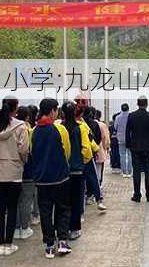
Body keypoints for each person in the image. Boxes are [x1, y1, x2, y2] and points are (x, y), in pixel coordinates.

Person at [0, 97, 29, 255]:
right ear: (15, 109)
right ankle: (8, 244)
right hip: (13, 171)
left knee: (0, 209)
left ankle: (0, 243)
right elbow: (24, 149)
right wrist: (20, 161)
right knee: (12, 208)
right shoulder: (20, 126)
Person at [31, 98, 72, 259]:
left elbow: (31, 151)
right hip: (60, 178)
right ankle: (62, 241)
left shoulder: (34, 130)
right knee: (62, 209)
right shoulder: (60, 129)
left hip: (41, 179)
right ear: (53, 111)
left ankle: (49, 246)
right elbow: (66, 152)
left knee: (45, 212)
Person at [60, 101, 94, 241]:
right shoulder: (80, 128)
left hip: (62, 171)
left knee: (63, 202)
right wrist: (82, 162)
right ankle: (74, 229)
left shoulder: (59, 127)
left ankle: (62, 229)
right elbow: (86, 149)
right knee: (76, 201)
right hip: (77, 169)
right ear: (75, 112)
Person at [126, 96, 149, 203]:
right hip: (148, 148)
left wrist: (128, 144)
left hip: (135, 147)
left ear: (137, 103)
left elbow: (128, 132)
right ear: (147, 104)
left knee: (136, 171)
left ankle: (137, 195)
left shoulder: (132, 116)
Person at [14, 106, 36, 240]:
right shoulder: (29, 130)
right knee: (27, 200)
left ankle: (16, 228)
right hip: (28, 169)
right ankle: (24, 227)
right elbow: (29, 150)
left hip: (13, 170)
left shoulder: (10, 129)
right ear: (28, 117)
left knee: (15, 200)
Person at [114, 103, 132, 178]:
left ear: (121, 109)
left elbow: (115, 127)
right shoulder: (131, 116)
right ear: (128, 109)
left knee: (122, 155)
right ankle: (130, 172)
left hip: (121, 138)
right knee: (130, 155)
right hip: (130, 138)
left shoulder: (118, 117)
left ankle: (124, 172)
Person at [94, 109, 111, 185]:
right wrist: (106, 147)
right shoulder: (102, 125)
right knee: (100, 167)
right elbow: (105, 138)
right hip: (100, 148)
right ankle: (99, 182)